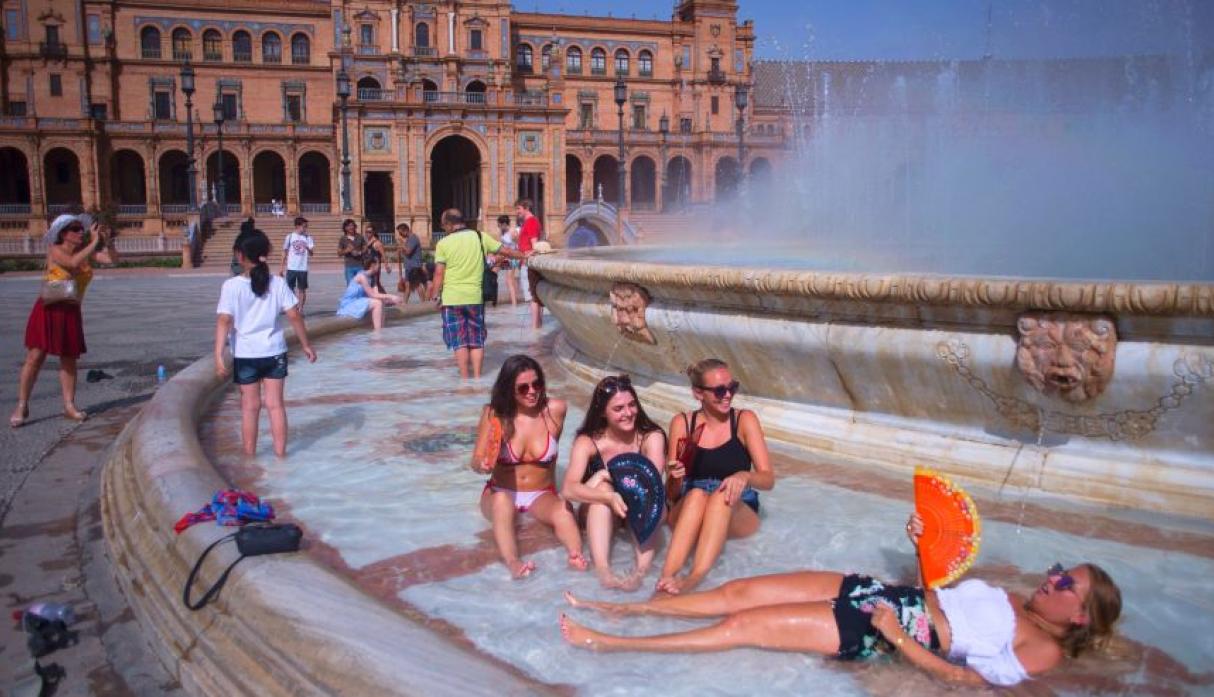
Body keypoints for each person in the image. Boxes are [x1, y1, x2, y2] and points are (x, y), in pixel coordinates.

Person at [560, 515, 1124, 690]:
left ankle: (611, 641)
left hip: (891, 629)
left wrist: (898, 638)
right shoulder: (1017, 600)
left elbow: (970, 682)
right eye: (1058, 571)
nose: (1051, 580)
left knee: (743, 624)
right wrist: (922, 541)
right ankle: (630, 609)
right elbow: (942, 586)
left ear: (1080, 616)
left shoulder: (1043, 651)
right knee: (738, 593)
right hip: (888, 594)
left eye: (1064, 584)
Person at [656, 358, 774, 595]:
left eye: (733, 387)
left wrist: (744, 476)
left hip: (736, 506)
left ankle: (694, 578)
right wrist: (675, 477)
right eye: (720, 390)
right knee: (697, 493)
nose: (728, 395)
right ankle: (665, 579)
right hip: (691, 507)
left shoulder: (744, 420)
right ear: (698, 393)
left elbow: (768, 479)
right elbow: (671, 495)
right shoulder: (683, 423)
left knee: (720, 496)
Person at [470, 354, 586, 578]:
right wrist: (481, 464)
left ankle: (576, 556)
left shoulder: (555, 410)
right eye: (523, 388)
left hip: (540, 494)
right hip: (500, 492)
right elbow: (475, 460)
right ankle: (513, 563)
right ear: (508, 389)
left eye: (537, 384)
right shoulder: (495, 415)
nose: (532, 391)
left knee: (563, 510)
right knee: (503, 502)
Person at [214, 230, 317, 457]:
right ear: (267, 253)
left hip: (245, 354)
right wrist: (306, 345)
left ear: (239, 256)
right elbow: (294, 316)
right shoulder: (278, 283)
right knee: (276, 405)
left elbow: (224, 320)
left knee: (250, 408)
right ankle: (281, 456)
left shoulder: (231, 286)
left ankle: (250, 457)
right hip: (274, 352)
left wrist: (218, 355)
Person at [11, 215, 118, 428]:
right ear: (63, 234)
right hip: (49, 308)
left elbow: (112, 260)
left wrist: (108, 241)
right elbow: (71, 263)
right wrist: (93, 243)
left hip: (70, 310)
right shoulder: (54, 249)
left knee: (69, 358)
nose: (81, 232)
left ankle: (69, 405)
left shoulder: (86, 253)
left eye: (81, 229)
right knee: (35, 357)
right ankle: (22, 405)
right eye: (76, 229)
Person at [562, 375, 667, 590]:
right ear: (602, 412)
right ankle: (603, 571)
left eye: (631, 405)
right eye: (618, 409)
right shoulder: (588, 441)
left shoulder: (651, 437)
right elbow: (568, 489)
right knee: (602, 488)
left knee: (646, 498)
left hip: (640, 503)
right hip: (599, 511)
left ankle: (640, 573)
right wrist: (607, 493)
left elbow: (652, 485)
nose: (628, 413)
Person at [430, 208, 527, 380]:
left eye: (443, 225)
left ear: (449, 224)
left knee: (459, 342)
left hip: (452, 299)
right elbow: (505, 251)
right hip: (475, 297)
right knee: (476, 340)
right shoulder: (480, 236)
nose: (443, 228)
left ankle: (465, 380)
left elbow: (439, 273)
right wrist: (524, 256)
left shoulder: (443, 244)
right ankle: (477, 379)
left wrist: (436, 296)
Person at [336, 256, 403, 330]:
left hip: (359, 301)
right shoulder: (361, 277)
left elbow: (376, 295)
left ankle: (382, 329)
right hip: (350, 303)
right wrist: (391, 296)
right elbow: (372, 294)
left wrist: (391, 300)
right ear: (372, 265)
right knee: (377, 303)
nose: (380, 266)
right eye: (378, 264)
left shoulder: (372, 277)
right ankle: (377, 332)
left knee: (381, 301)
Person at [515, 198, 544, 329]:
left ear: (526, 208)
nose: (517, 212)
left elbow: (535, 244)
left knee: (532, 296)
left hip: (527, 263)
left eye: (518, 209)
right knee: (535, 294)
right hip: (526, 261)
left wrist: (528, 254)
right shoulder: (529, 222)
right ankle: (538, 326)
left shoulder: (531, 221)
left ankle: (534, 328)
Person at [280, 216, 314, 310]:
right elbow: (285, 252)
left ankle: (300, 309)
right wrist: (281, 268)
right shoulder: (290, 237)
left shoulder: (308, 238)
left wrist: (307, 248)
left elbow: (311, 253)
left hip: (302, 268)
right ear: (297, 226)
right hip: (291, 267)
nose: (305, 228)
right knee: (290, 289)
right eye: (304, 226)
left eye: (306, 226)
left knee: (302, 289)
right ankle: (292, 306)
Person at [395, 222, 427, 303]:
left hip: (414, 266)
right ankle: (405, 303)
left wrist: (402, 244)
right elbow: (406, 252)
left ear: (405, 230)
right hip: (410, 266)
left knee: (416, 285)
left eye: (400, 233)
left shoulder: (413, 238)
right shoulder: (409, 239)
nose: (400, 235)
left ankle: (423, 303)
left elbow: (408, 251)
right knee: (409, 285)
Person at [495, 214, 521, 307]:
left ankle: (514, 304)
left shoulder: (513, 232)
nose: (498, 227)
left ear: (504, 224)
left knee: (509, 279)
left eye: (499, 225)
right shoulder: (501, 232)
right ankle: (515, 300)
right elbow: (501, 246)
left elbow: (519, 245)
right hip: (506, 257)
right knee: (509, 280)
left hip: (513, 257)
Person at [337, 218, 366, 285]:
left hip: (360, 266)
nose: (351, 227)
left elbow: (365, 248)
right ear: (345, 228)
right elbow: (339, 253)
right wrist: (347, 250)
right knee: (351, 287)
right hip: (349, 267)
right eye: (348, 226)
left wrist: (360, 252)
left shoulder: (360, 237)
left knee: (361, 286)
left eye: (352, 225)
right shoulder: (343, 239)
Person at [362, 222, 388, 292]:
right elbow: (363, 251)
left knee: (375, 283)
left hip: (375, 266)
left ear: (373, 232)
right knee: (374, 283)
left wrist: (386, 266)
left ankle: (384, 297)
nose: (368, 234)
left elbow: (383, 255)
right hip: (368, 265)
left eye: (369, 232)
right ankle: (385, 297)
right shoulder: (368, 242)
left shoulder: (377, 243)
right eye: (366, 232)